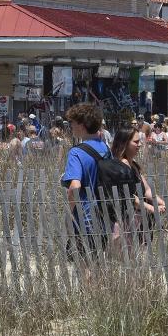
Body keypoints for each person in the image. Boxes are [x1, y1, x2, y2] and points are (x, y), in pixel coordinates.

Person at [110, 125, 168, 250]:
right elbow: (130, 197)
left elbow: (147, 190)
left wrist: (164, 205)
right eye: (136, 142)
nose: (140, 145)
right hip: (126, 221)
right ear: (125, 143)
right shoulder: (119, 166)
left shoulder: (134, 166)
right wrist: (154, 209)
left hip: (140, 218)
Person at [61, 103, 111, 261]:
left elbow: (75, 186)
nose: (71, 127)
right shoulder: (105, 148)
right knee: (97, 262)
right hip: (105, 216)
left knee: (84, 267)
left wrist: (69, 213)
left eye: (72, 123)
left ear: (81, 125)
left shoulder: (76, 152)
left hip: (85, 217)